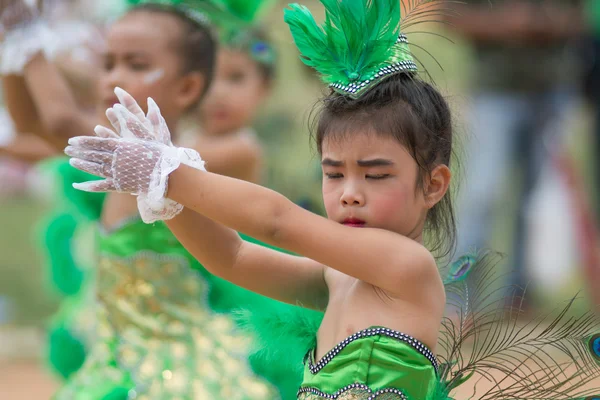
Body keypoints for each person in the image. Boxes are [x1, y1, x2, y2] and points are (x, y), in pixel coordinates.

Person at [66, 0, 600, 398]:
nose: (349, 194)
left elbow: (278, 222)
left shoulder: (406, 267)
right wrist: (163, 198)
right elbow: (231, 256)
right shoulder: (335, 276)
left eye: (375, 175)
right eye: (333, 173)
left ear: (433, 185)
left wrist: (173, 172)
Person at [0, 0, 295, 398]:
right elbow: (30, 125)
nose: (112, 79)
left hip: (182, 372)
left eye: (136, 65)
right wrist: (11, 46)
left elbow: (59, 122)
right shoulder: (115, 159)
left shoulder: (217, 156)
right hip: (113, 363)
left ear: (189, 87)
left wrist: (27, 36)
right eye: (107, 65)